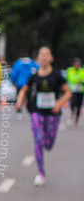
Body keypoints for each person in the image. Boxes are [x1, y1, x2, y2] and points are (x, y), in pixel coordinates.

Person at [15, 47, 71, 186]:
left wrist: (59, 103)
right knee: (38, 139)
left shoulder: (57, 75)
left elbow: (68, 93)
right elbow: (24, 90)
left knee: (48, 144)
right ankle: (41, 173)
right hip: (37, 110)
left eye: (46, 55)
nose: (44, 57)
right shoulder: (34, 76)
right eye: (41, 55)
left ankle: (46, 147)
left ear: (51, 58)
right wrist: (19, 101)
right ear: (38, 59)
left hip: (53, 112)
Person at [11, 55, 37, 120]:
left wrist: (13, 81)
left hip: (20, 84)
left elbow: (14, 73)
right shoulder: (32, 63)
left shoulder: (18, 63)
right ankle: (30, 112)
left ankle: (19, 112)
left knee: (20, 98)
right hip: (29, 84)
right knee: (29, 98)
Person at [66, 58, 83, 127]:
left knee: (79, 105)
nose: (77, 66)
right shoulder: (70, 70)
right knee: (73, 102)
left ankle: (76, 121)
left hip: (80, 90)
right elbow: (68, 78)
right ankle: (73, 112)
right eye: (75, 64)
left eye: (78, 64)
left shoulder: (82, 71)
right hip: (72, 90)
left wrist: (80, 81)